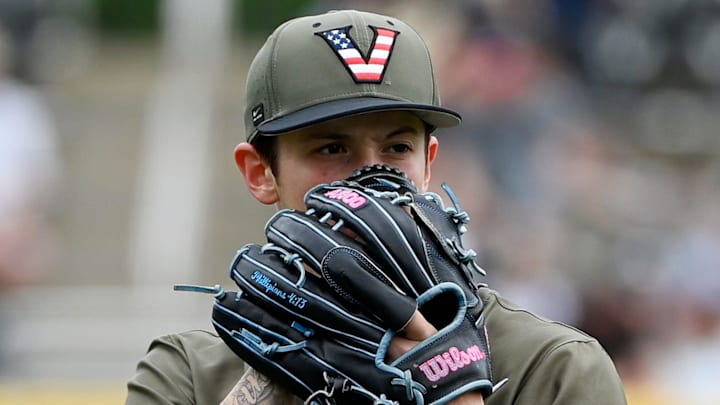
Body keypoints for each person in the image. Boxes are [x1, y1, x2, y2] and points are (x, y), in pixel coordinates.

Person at [126, 9, 627, 405]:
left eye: (396, 148)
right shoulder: (188, 374)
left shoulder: (553, 367)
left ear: (428, 163)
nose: (373, 177)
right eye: (331, 149)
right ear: (260, 173)